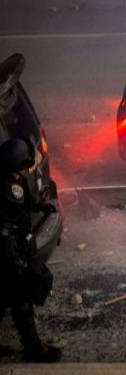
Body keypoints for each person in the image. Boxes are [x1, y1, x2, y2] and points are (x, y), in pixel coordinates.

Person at [0, 137, 61, 362]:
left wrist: (38, 206)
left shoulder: (10, 181)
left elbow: (21, 206)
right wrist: (15, 261)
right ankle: (33, 349)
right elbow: (6, 229)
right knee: (20, 299)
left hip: (8, 249)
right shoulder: (11, 188)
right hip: (6, 252)